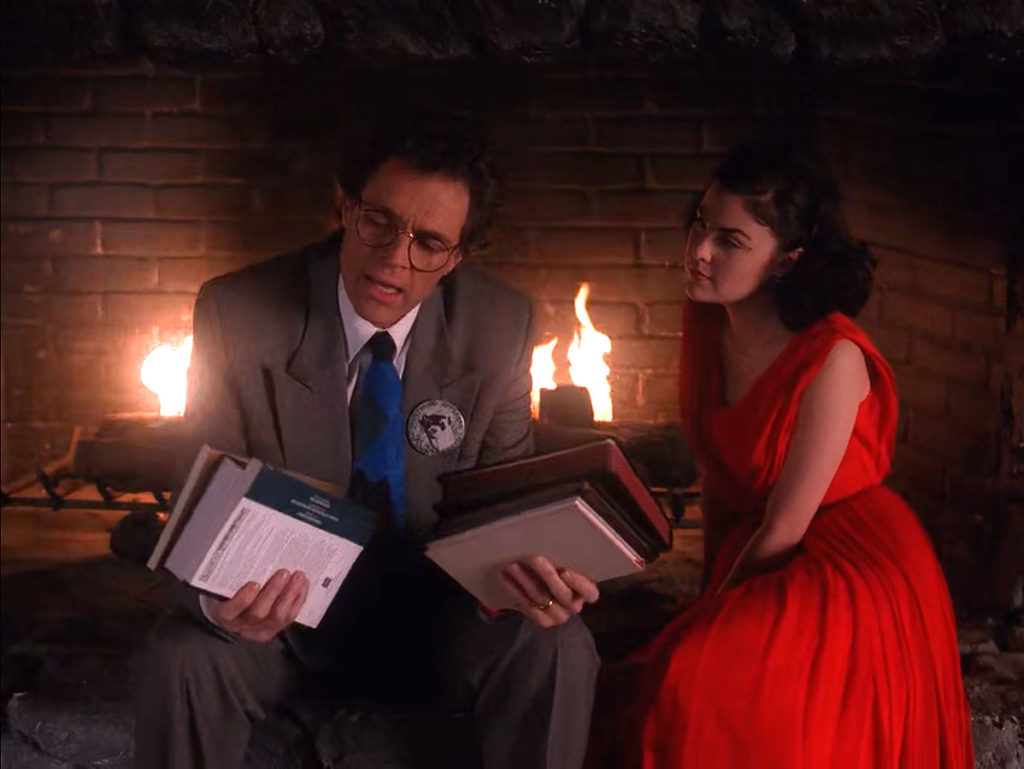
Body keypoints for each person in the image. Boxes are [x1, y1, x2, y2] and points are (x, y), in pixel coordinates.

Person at [134, 112, 601, 769]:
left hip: (442, 619)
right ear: (345, 207)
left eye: (429, 242)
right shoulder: (237, 312)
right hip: (281, 626)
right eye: (379, 221)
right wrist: (220, 603)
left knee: (560, 644)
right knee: (180, 655)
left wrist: (535, 575)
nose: (394, 259)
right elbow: (195, 503)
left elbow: (502, 506)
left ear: (456, 256)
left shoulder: (500, 325)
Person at [628, 140, 973, 767]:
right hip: (759, 540)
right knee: (655, 671)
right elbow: (716, 472)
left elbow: (785, 526)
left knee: (695, 676)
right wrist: (708, 593)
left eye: (730, 241)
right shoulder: (710, 320)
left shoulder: (834, 356)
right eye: (701, 223)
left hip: (845, 559)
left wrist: (711, 616)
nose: (699, 251)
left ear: (787, 261)